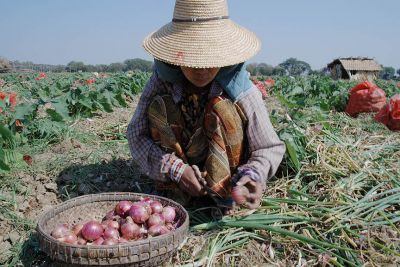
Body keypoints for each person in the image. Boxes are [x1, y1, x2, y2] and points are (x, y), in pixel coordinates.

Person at [127, 0, 285, 210]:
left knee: (223, 109)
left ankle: (220, 194)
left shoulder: (239, 86)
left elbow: (269, 147)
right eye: (193, 57)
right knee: (160, 106)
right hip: (177, 165)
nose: (202, 69)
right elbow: (136, 134)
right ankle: (174, 191)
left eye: (210, 58)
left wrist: (253, 174)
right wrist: (176, 169)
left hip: (226, 170)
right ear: (176, 55)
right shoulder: (162, 79)